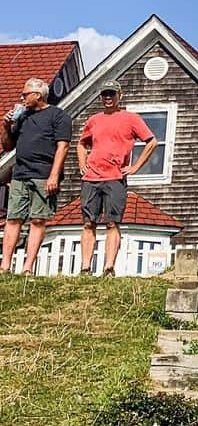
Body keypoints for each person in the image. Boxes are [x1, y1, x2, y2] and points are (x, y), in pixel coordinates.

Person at [78, 86, 158, 276]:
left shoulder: (131, 119)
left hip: (115, 178)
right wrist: (83, 163)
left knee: (112, 223)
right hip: (91, 178)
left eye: (111, 94)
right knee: (88, 222)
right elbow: (81, 143)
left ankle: (109, 267)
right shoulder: (94, 120)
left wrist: (135, 167)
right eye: (104, 94)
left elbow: (152, 142)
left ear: (119, 96)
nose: (108, 98)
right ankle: (85, 267)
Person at [1, 77, 72, 275]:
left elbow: (62, 146)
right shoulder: (22, 117)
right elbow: (7, 146)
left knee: (38, 220)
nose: (22, 98)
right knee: (13, 218)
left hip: (43, 174)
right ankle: (5, 266)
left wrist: (54, 175)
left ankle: (27, 267)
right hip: (20, 174)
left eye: (25, 94)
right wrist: (6, 126)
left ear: (38, 95)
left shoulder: (58, 116)